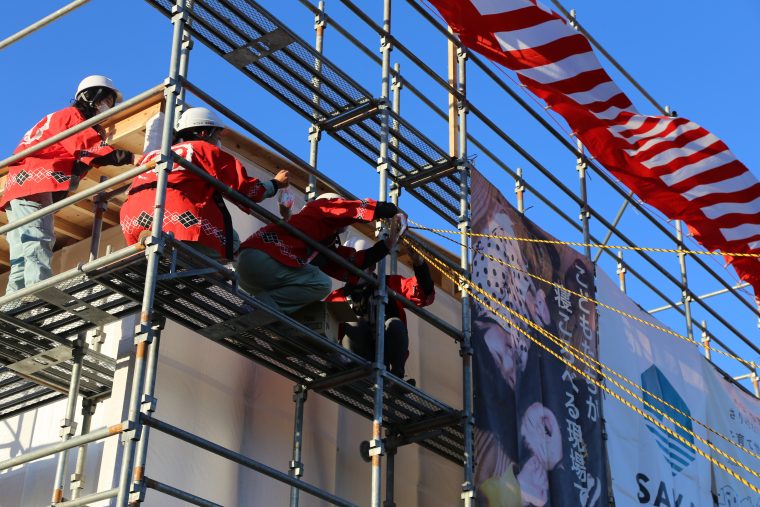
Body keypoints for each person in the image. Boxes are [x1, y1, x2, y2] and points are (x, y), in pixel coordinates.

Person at [1, 75, 134, 293]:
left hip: (19, 185)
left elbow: (78, 161)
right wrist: (133, 159)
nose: (106, 107)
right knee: (38, 238)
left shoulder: (58, 119)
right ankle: (39, 292)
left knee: (21, 249)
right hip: (36, 183)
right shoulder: (73, 117)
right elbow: (94, 150)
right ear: (91, 96)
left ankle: (14, 300)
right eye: (106, 101)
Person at [120, 107, 288, 260]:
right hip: (174, 215)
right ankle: (189, 258)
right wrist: (275, 184)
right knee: (232, 242)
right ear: (203, 133)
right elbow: (245, 189)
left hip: (132, 219)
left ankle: (157, 242)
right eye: (216, 135)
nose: (218, 141)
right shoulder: (204, 149)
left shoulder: (156, 154)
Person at [236, 193, 404, 314]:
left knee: (307, 288)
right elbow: (348, 210)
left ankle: (258, 308)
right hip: (264, 258)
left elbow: (349, 263)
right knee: (321, 284)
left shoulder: (320, 239)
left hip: (249, 269)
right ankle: (260, 305)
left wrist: (388, 244)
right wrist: (389, 210)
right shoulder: (318, 208)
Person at [326, 241, 435, 379]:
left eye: (359, 264)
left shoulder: (390, 285)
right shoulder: (339, 297)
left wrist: (420, 265)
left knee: (395, 324)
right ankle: (355, 375)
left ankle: (396, 376)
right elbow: (323, 327)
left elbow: (423, 294)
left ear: (372, 266)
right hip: (354, 357)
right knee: (355, 324)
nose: (352, 270)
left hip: (385, 354)